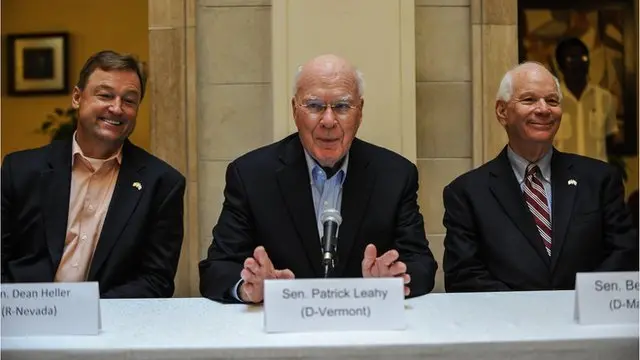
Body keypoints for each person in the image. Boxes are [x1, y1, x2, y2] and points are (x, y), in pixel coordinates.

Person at [199, 54, 437, 303]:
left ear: (360, 112)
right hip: (283, 331)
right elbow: (216, 269)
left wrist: (394, 280)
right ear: (294, 110)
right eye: (314, 106)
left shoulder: (395, 175)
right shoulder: (251, 175)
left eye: (342, 107)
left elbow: (421, 265)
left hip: (364, 327)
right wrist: (248, 288)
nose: (328, 121)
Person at [1, 50, 186, 298]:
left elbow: (156, 280)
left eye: (129, 100)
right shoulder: (20, 170)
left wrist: (88, 311)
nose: (117, 108)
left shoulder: (161, 184)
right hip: (24, 318)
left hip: (109, 325)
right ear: (77, 97)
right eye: (105, 95)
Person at [443, 62, 638, 293]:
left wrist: (581, 302)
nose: (544, 109)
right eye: (529, 100)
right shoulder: (467, 192)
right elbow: (463, 274)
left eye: (552, 101)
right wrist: (530, 311)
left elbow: (625, 253)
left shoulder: (599, 180)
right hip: (510, 324)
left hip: (585, 321)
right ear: (502, 111)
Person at [553, 37, 622, 162]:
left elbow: (610, 141)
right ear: (560, 65)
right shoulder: (551, 101)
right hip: (563, 178)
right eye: (571, 59)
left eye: (583, 58)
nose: (578, 64)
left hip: (596, 178)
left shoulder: (605, 98)